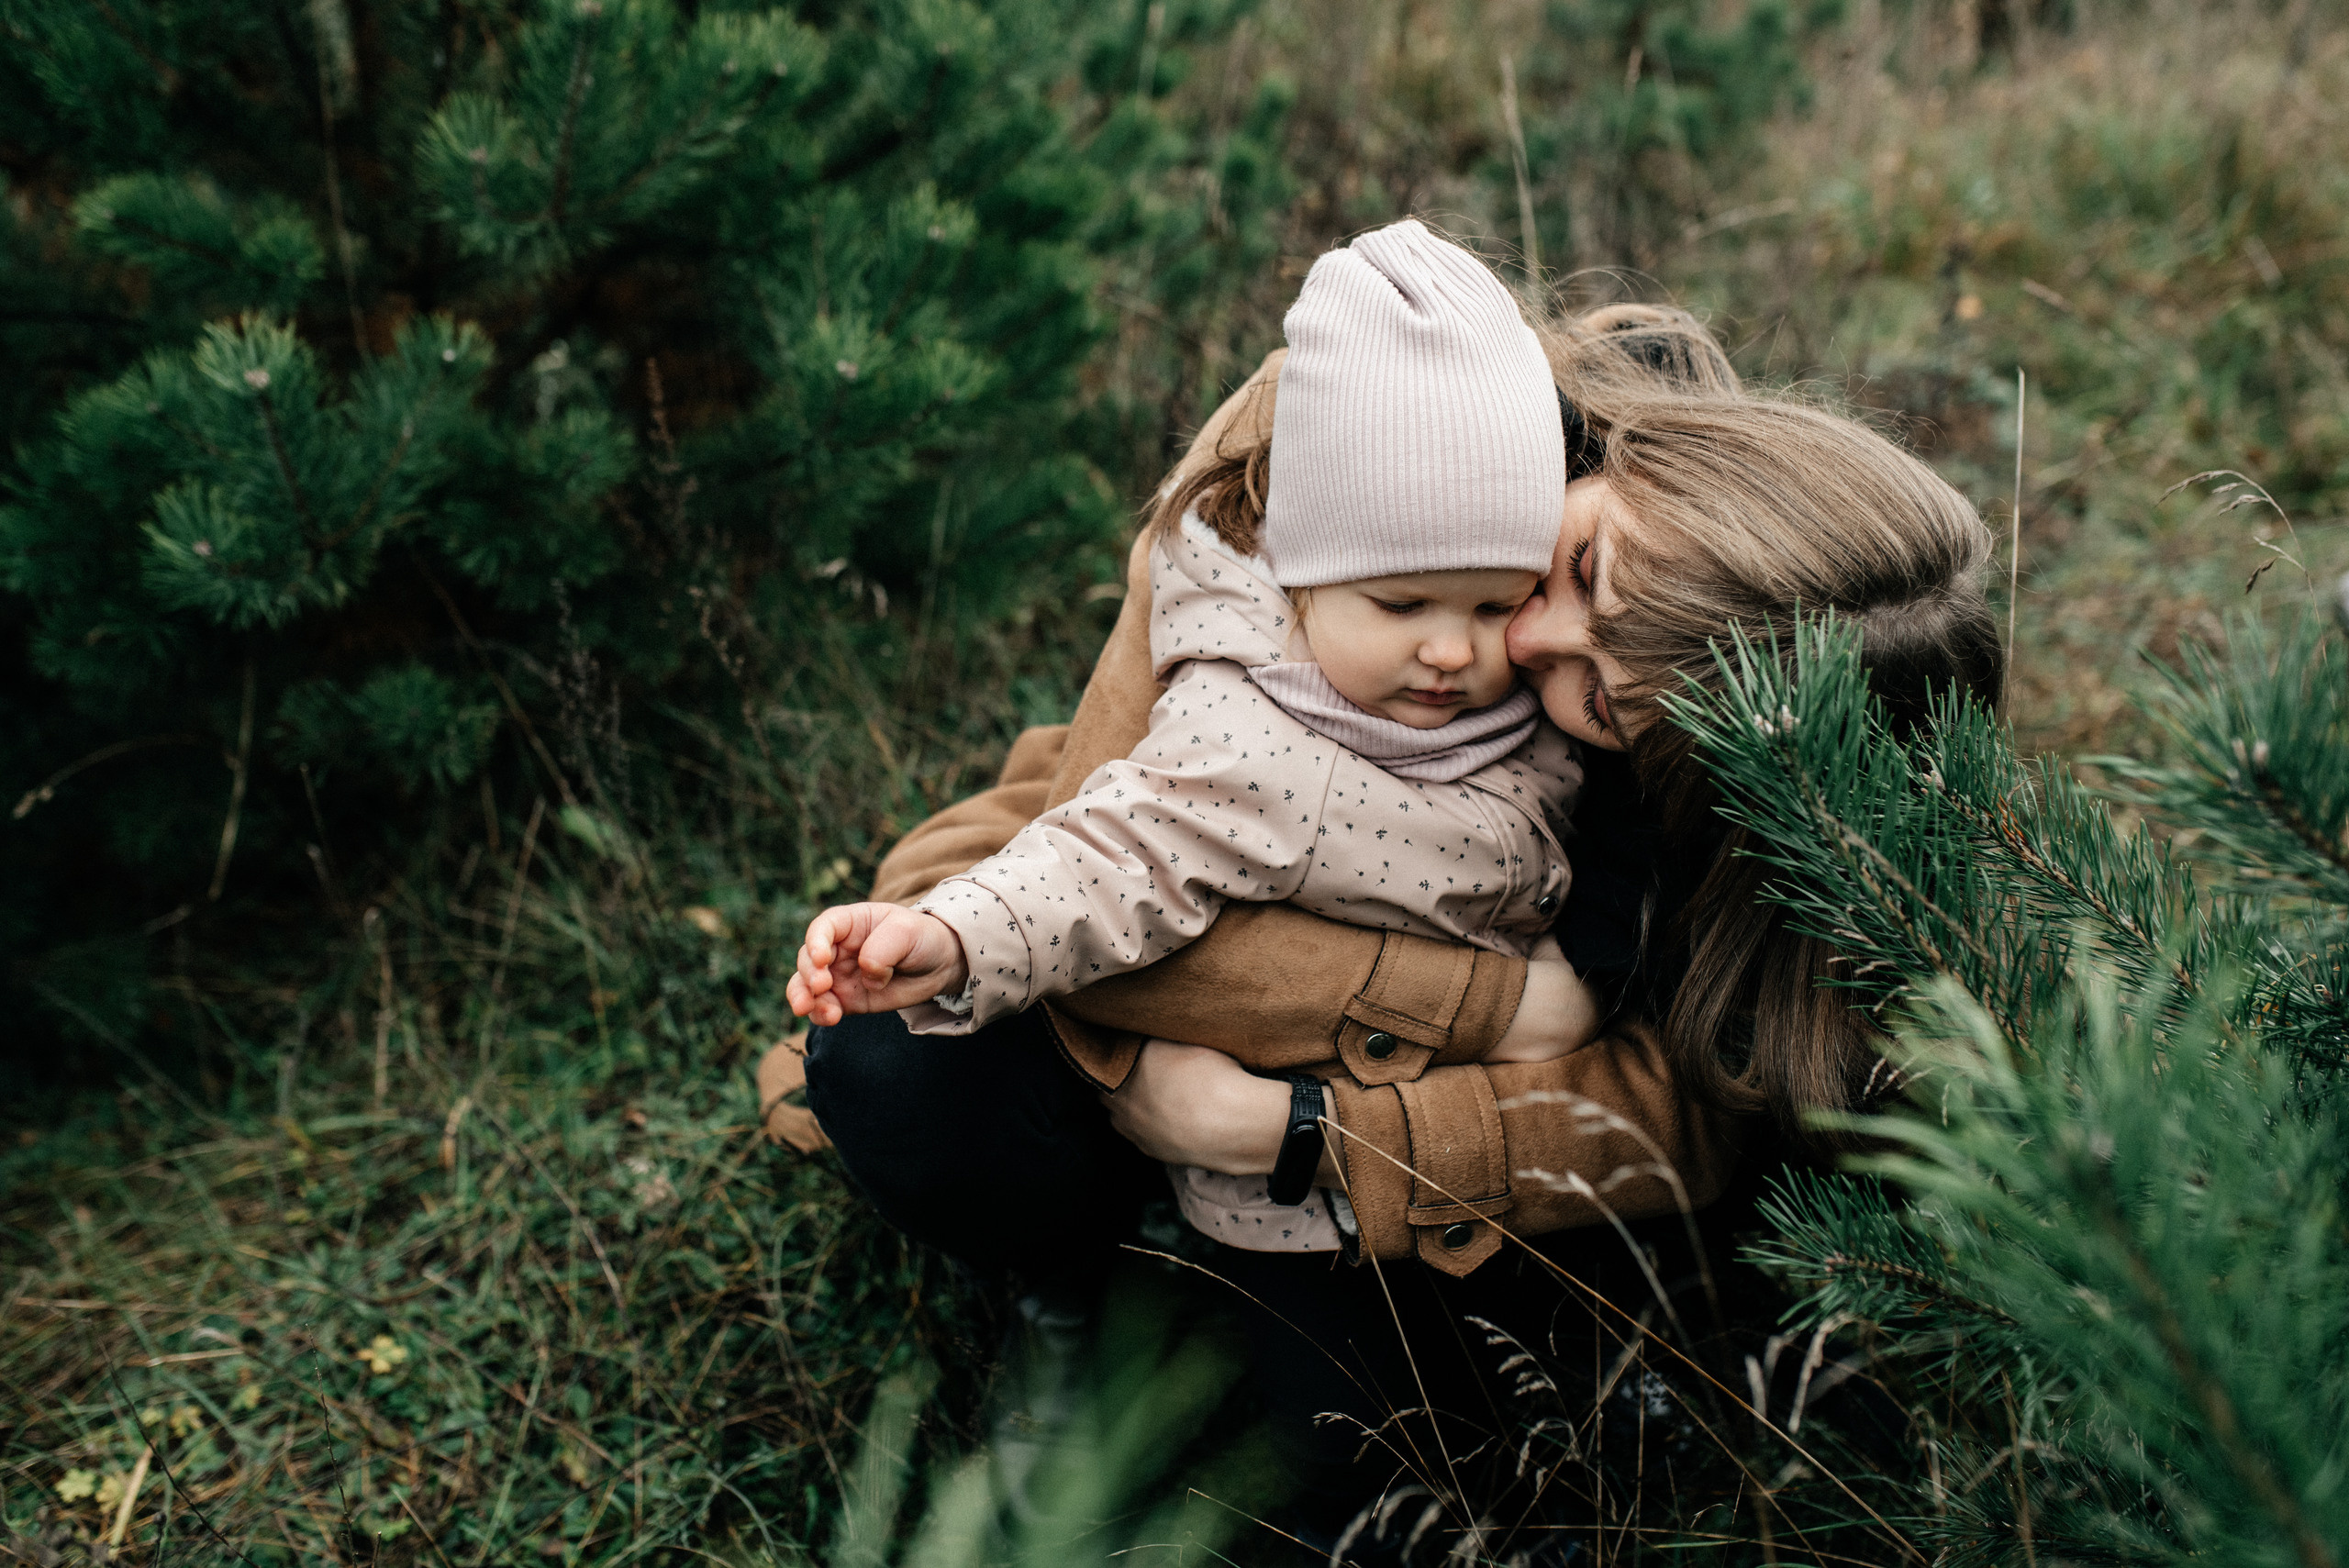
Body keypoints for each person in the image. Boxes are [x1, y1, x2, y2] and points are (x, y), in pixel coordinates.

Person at [777, 280, 2003, 1551]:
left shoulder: (1706, 768)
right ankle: (1075, 1273)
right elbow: (1114, 847)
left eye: (1599, 695)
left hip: (1378, 1118)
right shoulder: (1348, 429)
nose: (1527, 642)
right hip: (1118, 905)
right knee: (894, 1060)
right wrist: (1501, 1007)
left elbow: (1677, 1107)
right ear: (1661, 463)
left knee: (1371, 1483)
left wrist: (1299, 1130)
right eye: (1584, 568)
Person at [788, 222, 1606, 1257]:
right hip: (1283, 1205)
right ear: (1300, 580)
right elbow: (1115, 853)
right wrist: (955, 936)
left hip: (1435, 1171)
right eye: (1401, 604)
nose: (1451, 650)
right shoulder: (1258, 739)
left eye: (1494, 606)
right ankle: (1069, 1279)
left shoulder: (1553, 679)